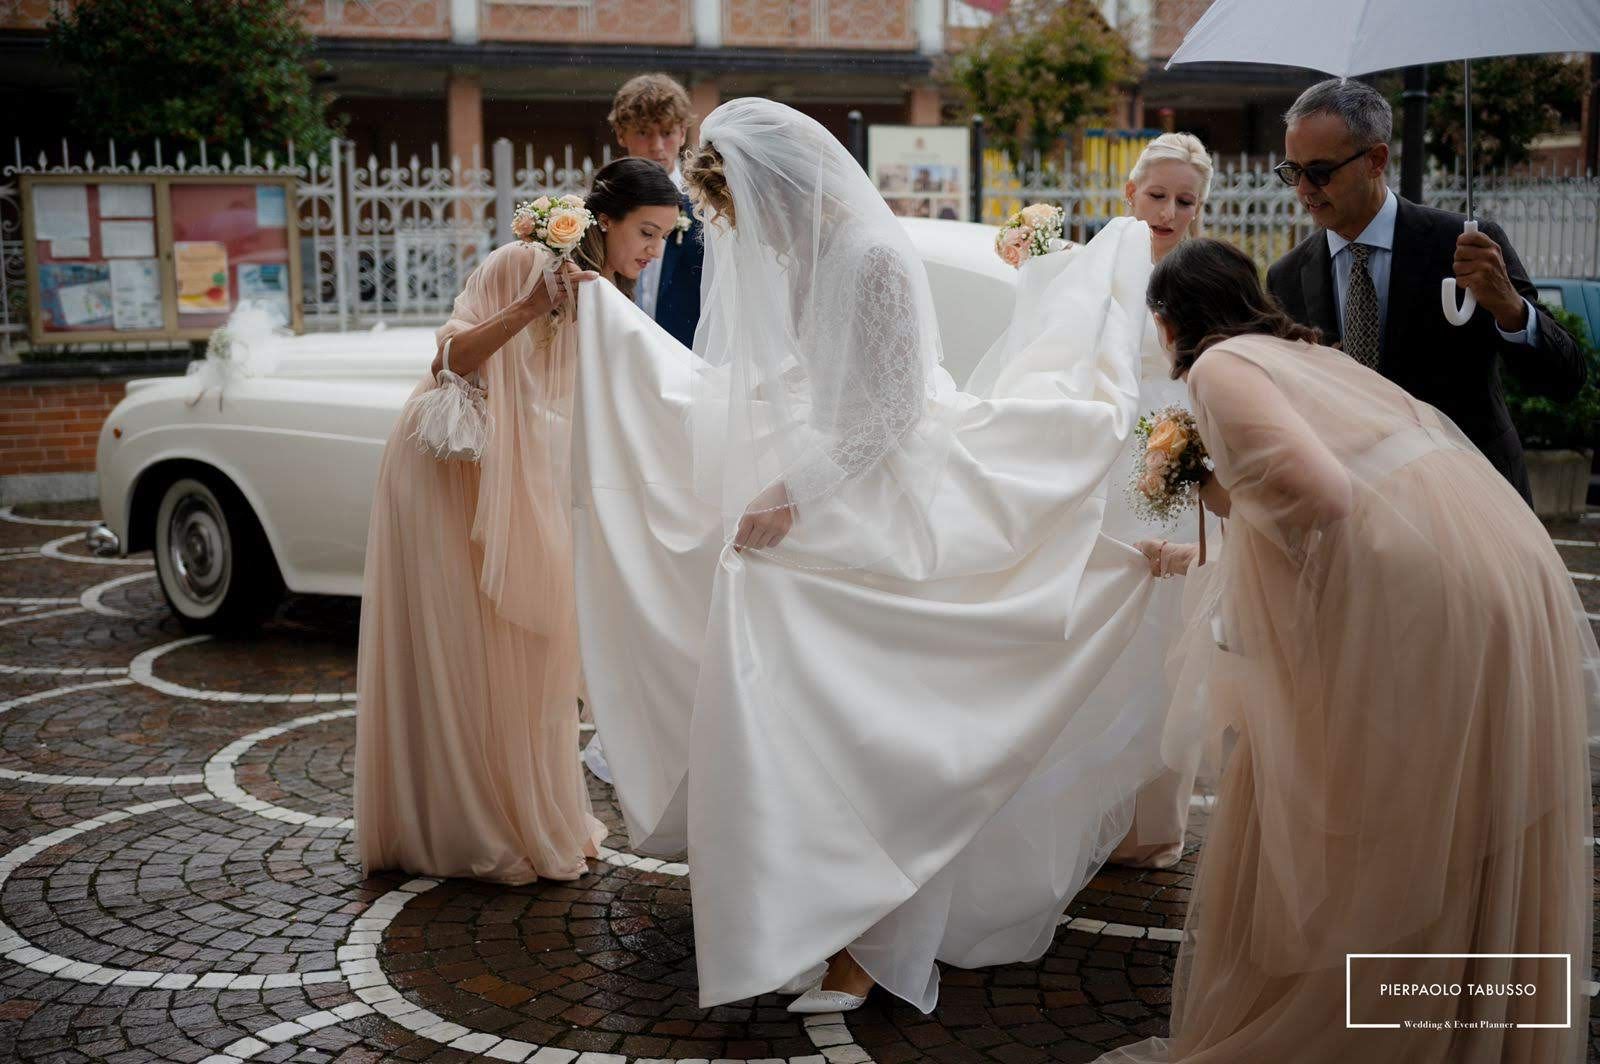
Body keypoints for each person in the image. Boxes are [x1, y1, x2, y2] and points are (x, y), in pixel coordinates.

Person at [568, 98, 1166, 1017]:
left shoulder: (872, 255)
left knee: (857, 711)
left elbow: (884, 414)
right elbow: (823, 378)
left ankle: (863, 936)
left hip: (894, 493)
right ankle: (810, 908)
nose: (752, 241)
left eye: (750, 215)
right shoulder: (812, 249)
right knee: (780, 666)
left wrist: (790, 495)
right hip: (842, 472)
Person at [1099, 237, 1597, 1063]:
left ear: (1169, 321)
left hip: (1428, 596)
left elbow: (1320, 498)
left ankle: (1385, 1034)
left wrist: (1212, 490)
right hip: (1504, 561)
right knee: (1460, 816)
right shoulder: (1304, 350)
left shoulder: (1219, 369)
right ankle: (1456, 1029)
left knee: (1397, 819)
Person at [354, 158, 683, 884]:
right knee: (466, 649)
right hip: (446, 469)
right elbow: (447, 358)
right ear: (603, 221)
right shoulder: (523, 263)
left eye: (665, 237)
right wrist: (531, 306)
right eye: (648, 232)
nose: (654, 251)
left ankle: (532, 813)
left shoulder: (603, 299)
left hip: (519, 478)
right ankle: (460, 826)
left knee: (530, 653)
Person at [1266, 77, 1585, 504]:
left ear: (1376, 160)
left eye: (1320, 172)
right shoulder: (1286, 276)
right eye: (1293, 172)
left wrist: (1510, 307)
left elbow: (1564, 380)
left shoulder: (1467, 246)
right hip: (1356, 513)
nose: (1305, 189)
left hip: (1472, 501)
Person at [1100, 132, 1214, 869]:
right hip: (1108, 460)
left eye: (1185, 200)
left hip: (1177, 457)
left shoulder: (1206, 278)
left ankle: (1153, 824)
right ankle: (1098, 812)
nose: (1169, 211)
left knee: (1170, 641)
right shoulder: (1099, 270)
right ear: (1130, 195)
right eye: (1157, 195)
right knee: (1110, 637)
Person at [609, 73, 703, 348]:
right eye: (643, 132)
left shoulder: (703, 208)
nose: (657, 147)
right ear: (621, 133)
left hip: (684, 357)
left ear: (683, 132)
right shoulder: (600, 204)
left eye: (667, 132)